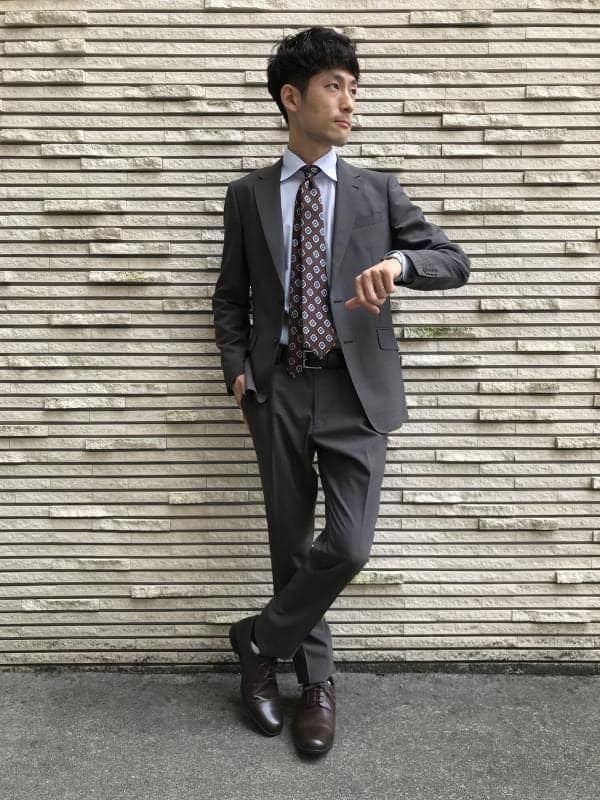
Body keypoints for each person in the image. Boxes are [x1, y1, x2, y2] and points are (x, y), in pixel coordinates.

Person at [212, 26, 470, 757]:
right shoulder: (248, 195)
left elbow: (452, 260)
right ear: (292, 98)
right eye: (335, 86)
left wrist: (400, 265)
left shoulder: (376, 190)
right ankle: (316, 686)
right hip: (279, 389)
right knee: (290, 545)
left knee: (348, 545)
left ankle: (259, 641)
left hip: (357, 393)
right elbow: (230, 296)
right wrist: (236, 366)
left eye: (354, 88)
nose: (350, 101)